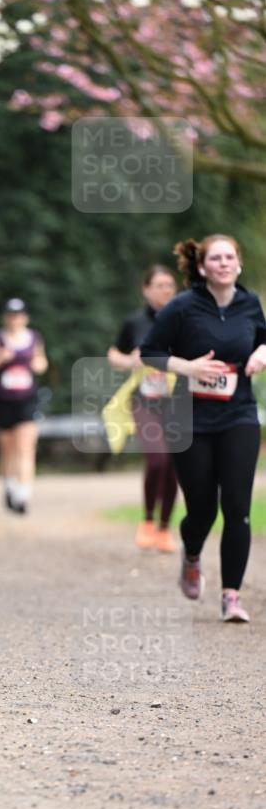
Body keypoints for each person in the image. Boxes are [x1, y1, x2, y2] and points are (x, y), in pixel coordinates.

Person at [140, 235, 266, 622]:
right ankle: (192, 553)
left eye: (230, 257)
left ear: (239, 265)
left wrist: (261, 352)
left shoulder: (250, 304)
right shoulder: (183, 307)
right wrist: (189, 368)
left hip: (239, 414)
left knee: (238, 509)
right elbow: (151, 351)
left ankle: (231, 596)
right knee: (202, 509)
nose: (224, 263)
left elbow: (262, 337)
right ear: (202, 267)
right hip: (190, 418)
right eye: (216, 258)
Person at [107, 266, 179, 553]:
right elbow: (114, 353)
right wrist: (129, 362)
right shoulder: (134, 322)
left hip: (176, 401)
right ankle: (148, 521)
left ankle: (164, 529)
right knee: (158, 460)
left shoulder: (184, 319)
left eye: (170, 285)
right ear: (146, 289)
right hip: (143, 400)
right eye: (160, 285)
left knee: (174, 465)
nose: (166, 290)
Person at [0, 298, 48, 513]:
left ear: (25, 317)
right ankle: (10, 487)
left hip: (27, 400)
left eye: (19, 314)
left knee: (26, 447)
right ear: (5, 317)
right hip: (3, 400)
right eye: (11, 315)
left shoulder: (34, 338)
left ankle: (23, 496)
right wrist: (1, 358)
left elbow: (41, 362)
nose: (15, 319)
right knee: (7, 449)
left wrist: (37, 365)